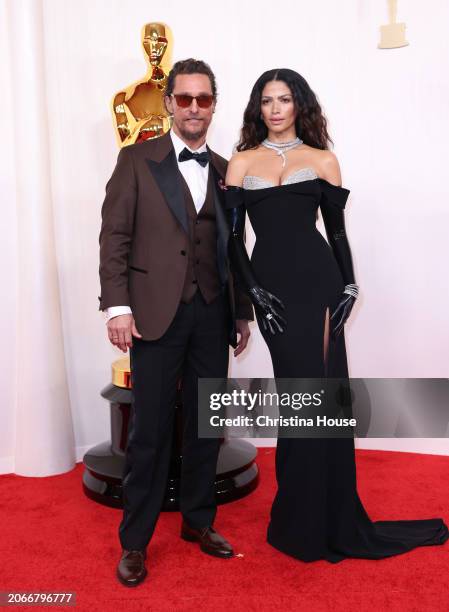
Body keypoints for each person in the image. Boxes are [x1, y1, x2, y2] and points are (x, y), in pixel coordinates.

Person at [224, 68, 449, 563]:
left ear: (299, 104)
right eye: (267, 100)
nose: (276, 108)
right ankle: (298, 515)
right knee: (295, 395)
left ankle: (326, 516)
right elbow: (232, 240)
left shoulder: (323, 159)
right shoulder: (241, 163)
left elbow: (338, 233)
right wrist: (255, 292)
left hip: (320, 284)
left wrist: (350, 284)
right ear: (257, 108)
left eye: (284, 99)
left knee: (320, 396)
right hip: (273, 290)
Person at [99, 58, 254, 586]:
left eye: (203, 99)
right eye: (183, 98)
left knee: (206, 427)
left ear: (213, 105)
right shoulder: (136, 160)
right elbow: (114, 236)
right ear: (168, 104)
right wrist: (117, 306)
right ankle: (135, 543)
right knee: (150, 434)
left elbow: (234, 248)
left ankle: (198, 522)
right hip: (153, 318)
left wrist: (240, 312)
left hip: (212, 314)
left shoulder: (226, 167)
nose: (193, 108)